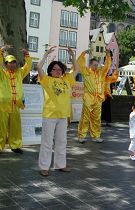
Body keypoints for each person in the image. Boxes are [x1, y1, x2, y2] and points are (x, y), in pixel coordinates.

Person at [37, 46, 79, 176]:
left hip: (63, 115)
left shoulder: (67, 79)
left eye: (59, 69)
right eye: (54, 69)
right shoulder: (46, 80)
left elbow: (77, 69)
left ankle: (60, 165)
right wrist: (46, 55)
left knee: (62, 141)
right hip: (49, 115)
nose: (57, 71)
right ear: (50, 71)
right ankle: (44, 167)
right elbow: (38, 67)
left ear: (62, 71)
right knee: (47, 142)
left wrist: (72, 56)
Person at [0, 45, 32, 154]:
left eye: (14, 62)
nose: (13, 64)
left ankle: (15, 145)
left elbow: (28, 67)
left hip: (16, 104)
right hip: (3, 106)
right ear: (6, 64)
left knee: (15, 127)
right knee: (1, 127)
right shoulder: (2, 74)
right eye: (10, 62)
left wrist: (26, 55)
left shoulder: (19, 73)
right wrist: (1, 52)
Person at [77, 49, 111, 143]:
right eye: (94, 65)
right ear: (90, 65)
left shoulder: (101, 73)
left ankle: (96, 136)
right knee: (85, 117)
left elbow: (107, 66)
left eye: (97, 65)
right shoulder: (86, 71)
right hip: (88, 97)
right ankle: (81, 136)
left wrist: (108, 56)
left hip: (98, 98)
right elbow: (80, 63)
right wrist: (83, 53)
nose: (96, 66)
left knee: (96, 118)